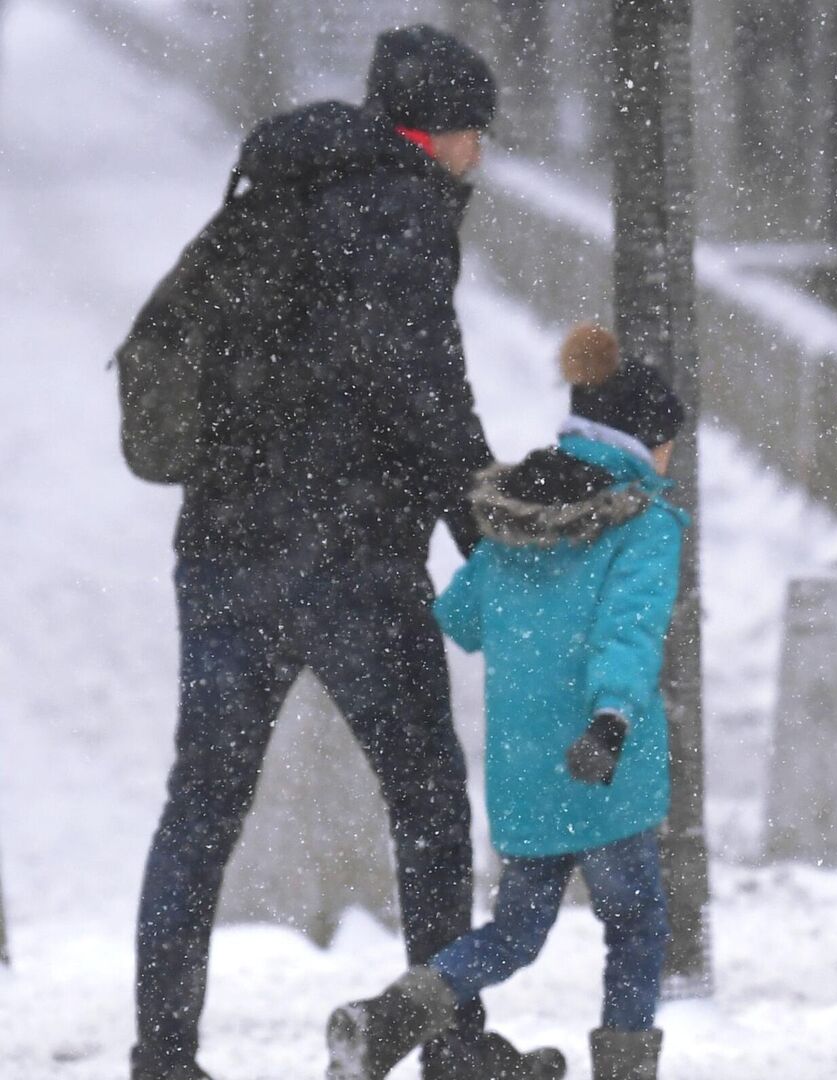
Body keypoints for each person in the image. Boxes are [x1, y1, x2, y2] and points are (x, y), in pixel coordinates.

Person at [129, 25, 540, 1080]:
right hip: (349, 555)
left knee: (202, 807)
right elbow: (426, 393)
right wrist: (489, 540)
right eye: (471, 135)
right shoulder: (402, 213)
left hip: (224, 547)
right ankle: (450, 1042)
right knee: (429, 797)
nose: (478, 157)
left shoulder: (273, 191)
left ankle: (163, 1057)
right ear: (434, 132)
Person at [326, 325, 688, 1080]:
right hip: (604, 767)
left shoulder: (517, 519)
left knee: (515, 934)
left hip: (526, 778)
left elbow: (460, 616)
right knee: (636, 925)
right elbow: (629, 631)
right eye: (666, 443)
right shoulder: (644, 525)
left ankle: (389, 1017)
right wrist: (610, 717)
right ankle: (626, 1071)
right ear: (637, 442)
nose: (671, 458)